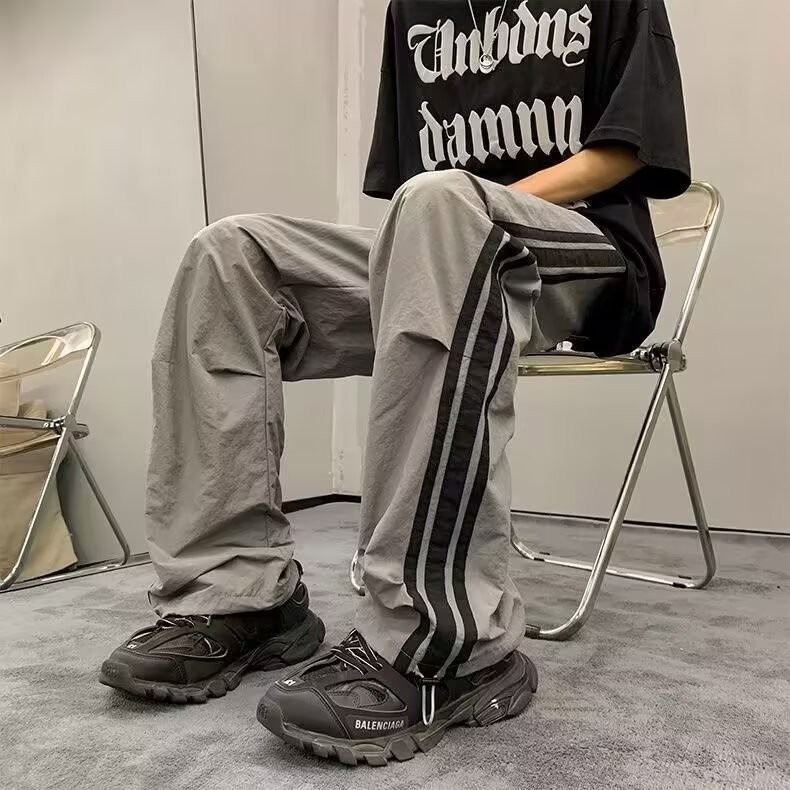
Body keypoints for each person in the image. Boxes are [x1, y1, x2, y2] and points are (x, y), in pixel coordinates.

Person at [100, 0, 690, 766]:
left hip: (586, 252)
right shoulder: (413, 11)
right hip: (443, 235)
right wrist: (442, 213)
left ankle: (448, 642)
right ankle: (237, 594)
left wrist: (460, 208)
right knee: (230, 254)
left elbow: (622, 154)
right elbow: (416, 190)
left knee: (442, 205)